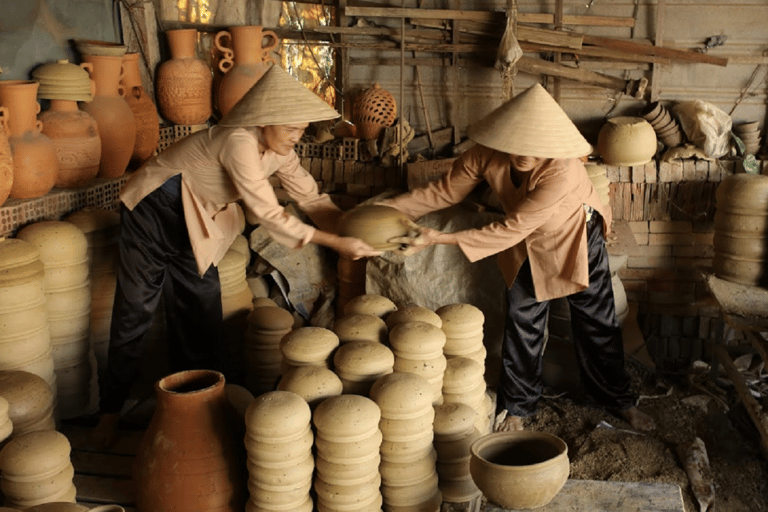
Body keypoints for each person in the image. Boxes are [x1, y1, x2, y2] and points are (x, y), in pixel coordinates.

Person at [91, 65, 382, 447]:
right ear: (264, 121)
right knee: (136, 311)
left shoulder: (281, 152)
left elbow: (311, 198)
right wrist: (334, 243)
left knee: (201, 312)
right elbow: (267, 212)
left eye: (302, 129)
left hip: (194, 215)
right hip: (154, 209)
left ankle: (192, 412)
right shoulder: (238, 142)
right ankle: (110, 414)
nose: (298, 137)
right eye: (291, 128)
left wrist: (354, 228)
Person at [382, 83, 655, 432]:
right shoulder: (485, 154)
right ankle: (519, 407)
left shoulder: (563, 171)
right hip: (525, 236)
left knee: (596, 321)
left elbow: (510, 228)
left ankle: (618, 400)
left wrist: (438, 238)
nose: (524, 152)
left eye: (535, 145)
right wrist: (390, 208)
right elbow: (444, 191)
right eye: (517, 142)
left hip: (574, 235)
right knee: (523, 321)